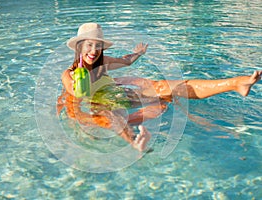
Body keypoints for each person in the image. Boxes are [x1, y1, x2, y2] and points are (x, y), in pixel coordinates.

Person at [58, 22, 261, 152]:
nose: (94, 51)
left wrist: (138, 54)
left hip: (120, 93)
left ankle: (237, 83)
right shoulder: (70, 74)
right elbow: (73, 92)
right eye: (89, 46)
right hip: (98, 103)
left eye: (98, 46)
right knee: (113, 116)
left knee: (168, 87)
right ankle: (136, 143)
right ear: (80, 47)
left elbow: (125, 61)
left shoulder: (103, 62)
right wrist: (78, 87)